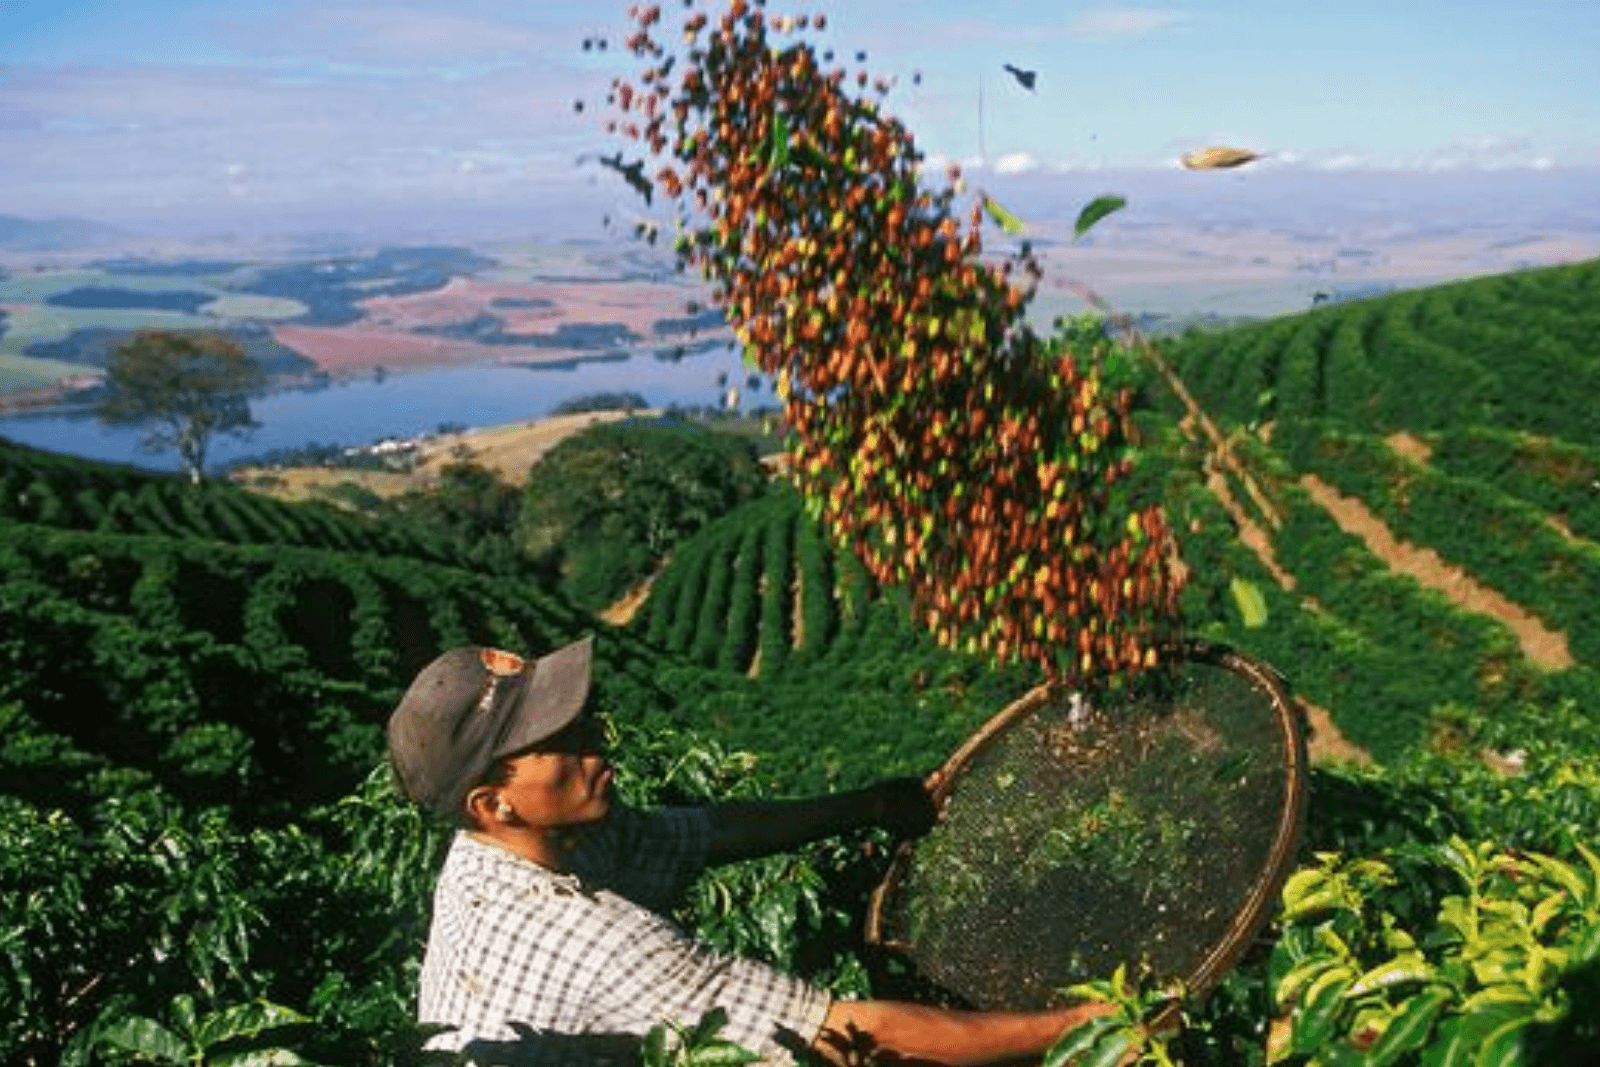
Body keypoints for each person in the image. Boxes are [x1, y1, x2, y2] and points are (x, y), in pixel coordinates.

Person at [387, 636, 1114, 1067]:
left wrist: (863, 805)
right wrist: (1086, 1027)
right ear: (492, 801)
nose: (595, 744)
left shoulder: (502, 851)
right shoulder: (588, 939)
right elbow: (839, 1033)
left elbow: (708, 832)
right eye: (561, 743)